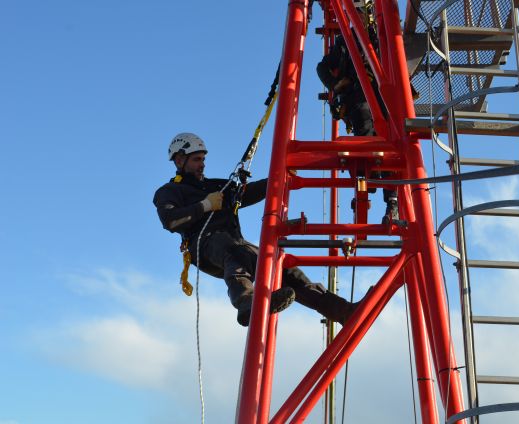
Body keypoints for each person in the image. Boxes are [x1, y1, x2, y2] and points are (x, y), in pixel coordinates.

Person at [153, 132, 359, 327]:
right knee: (233, 251)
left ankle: (344, 311)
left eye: (202, 159)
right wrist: (205, 205)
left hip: (236, 244)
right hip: (205, 246)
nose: (202, 165)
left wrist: (278, 181)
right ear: (179, 161)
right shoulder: (170, 192)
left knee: (284, 269)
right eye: (196, 160)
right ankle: (247, 303)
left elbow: (248, 193)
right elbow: (170, 221)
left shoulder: (217, 186)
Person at [316, 0, 399, 224]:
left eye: (364, 12)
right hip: (357, 96)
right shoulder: (345, 40)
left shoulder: (381, 34)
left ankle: (392, 200)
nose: (361, 16)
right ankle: (368, 182)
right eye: (359, 12)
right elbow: (322, 67)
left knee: (392, 144)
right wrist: (335, 84)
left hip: (384, 96)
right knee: (367, 133)